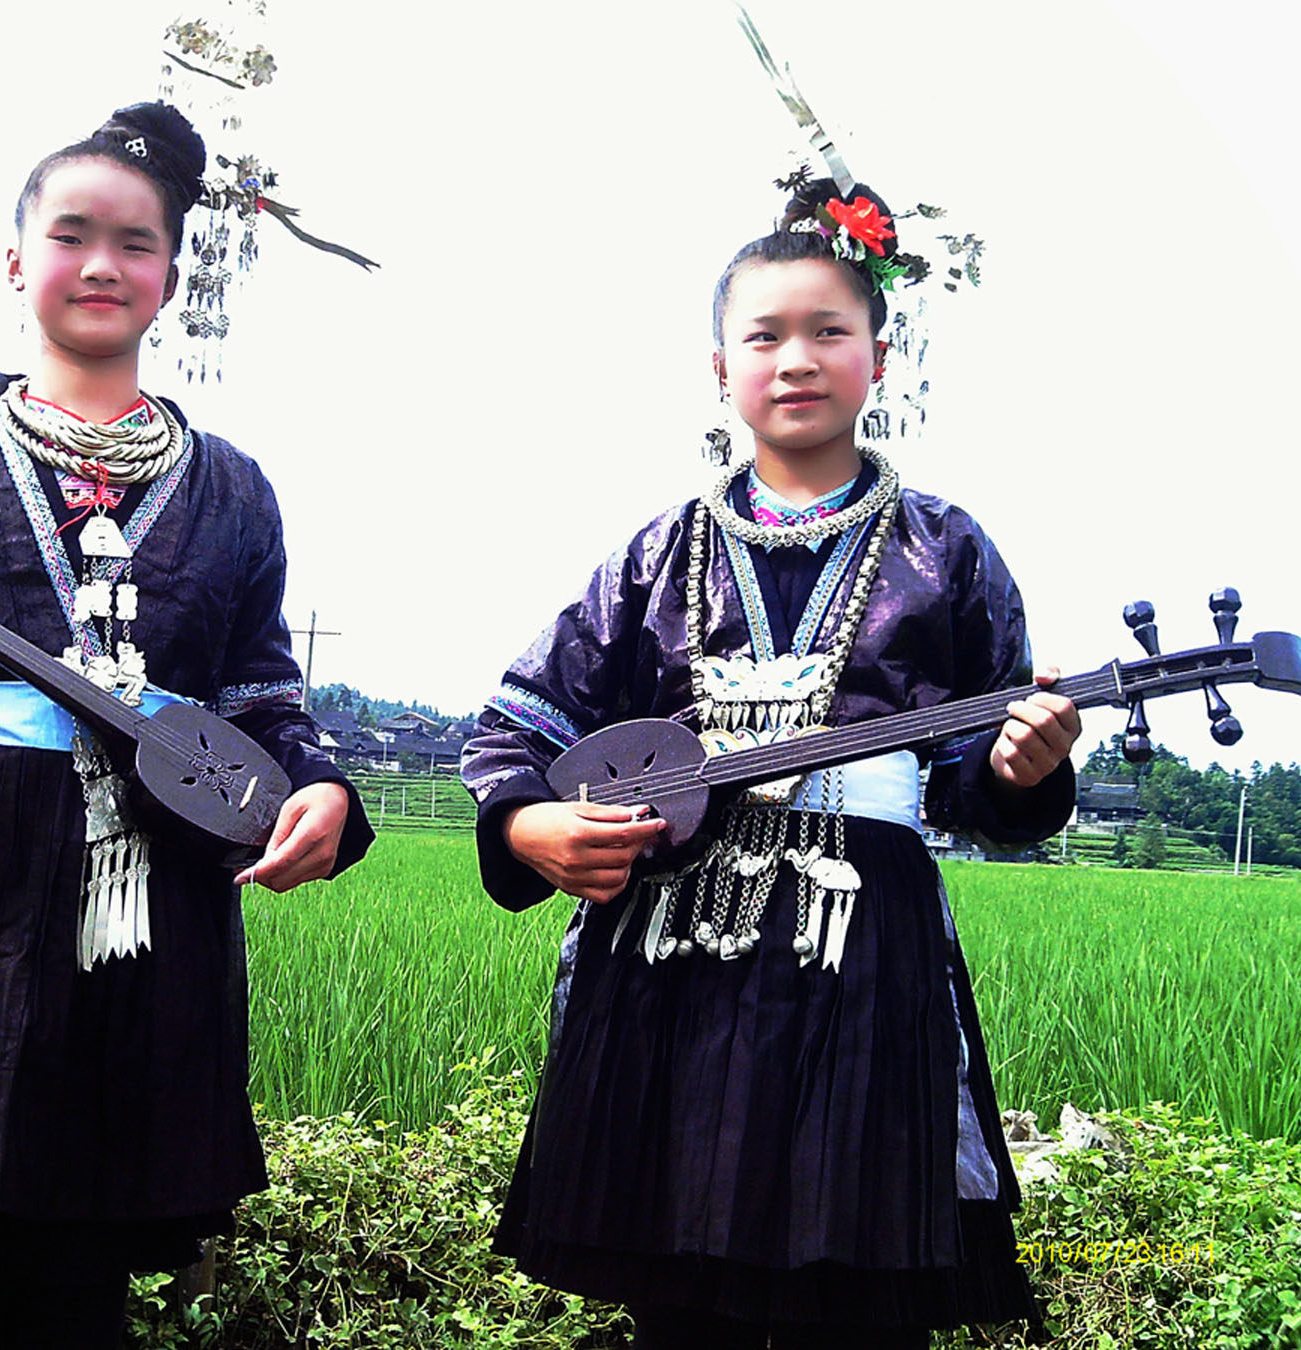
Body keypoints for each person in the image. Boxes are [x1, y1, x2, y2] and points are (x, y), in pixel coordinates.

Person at [0, 101, 372, 1348]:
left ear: (171, 277)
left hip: (140, 900)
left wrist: (320, 788)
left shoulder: (233, 487)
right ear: (14, 260)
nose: (102, 263)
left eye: (136, 243)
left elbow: (260, 688)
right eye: (71, 234)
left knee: (81, 1280)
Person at [459, 176, 1081, 1350]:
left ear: (880, 358)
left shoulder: (947, 551)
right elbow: (515, 728)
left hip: (863, 954)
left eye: (828, 331)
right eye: (765, 335)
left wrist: (1022, 768)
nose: (797, 359)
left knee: (858, 1292)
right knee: (679, 1301)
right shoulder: (653, 555)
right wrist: (528, 824)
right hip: (670, 958)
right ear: (719, 369)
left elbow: (976, 776)